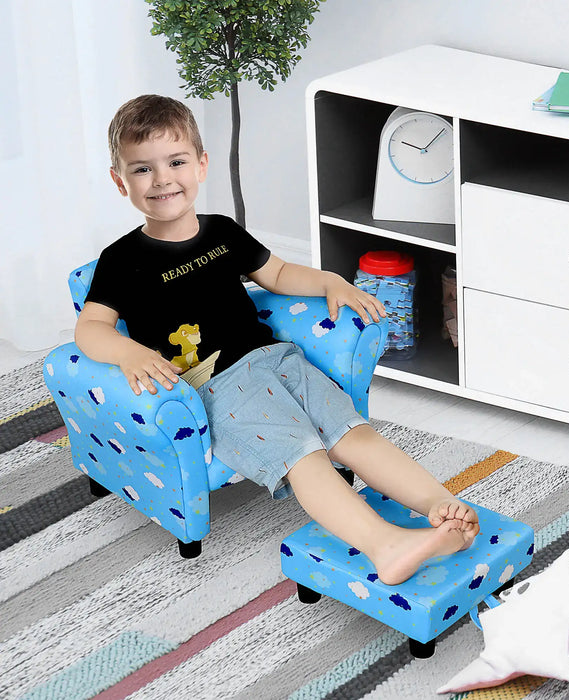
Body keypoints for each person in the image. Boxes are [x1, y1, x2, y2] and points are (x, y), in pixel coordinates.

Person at [75, 95, 480, 585]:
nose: (162, 179)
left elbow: (278, 273)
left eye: (176, 162)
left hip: (277, 360)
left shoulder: (222, 230)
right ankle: (386, 546)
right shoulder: (121, 260)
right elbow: (91, 328)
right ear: (121, 181)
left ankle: (441, 506)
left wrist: (330, 281)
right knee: (303, 455)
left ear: (201, 166)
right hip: (216, 384)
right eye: (142, 169)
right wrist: (130, 352)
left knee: (352, 432)